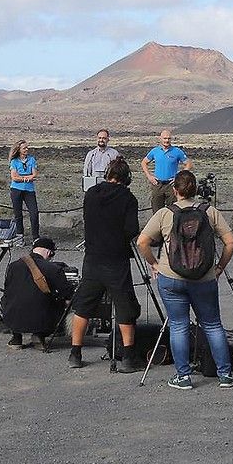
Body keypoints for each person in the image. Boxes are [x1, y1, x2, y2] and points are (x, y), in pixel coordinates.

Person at [137, 170, 233, 390]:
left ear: (175, 191)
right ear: (196, 190)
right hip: (204, 278)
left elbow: (142, 242)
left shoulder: (165, 214)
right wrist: (219, 267)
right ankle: (225, 374)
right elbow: (231, 242)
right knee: (212, 325)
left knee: (178, 326)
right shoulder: (209, 212)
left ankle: (183, 376)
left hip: (171, 277)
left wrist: (154, 264)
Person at [68, 157, 145, 372]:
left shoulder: (91, 194)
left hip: (92, 259)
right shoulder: (128, 198)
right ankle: (128, 358)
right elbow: (131, 229)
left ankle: (75, 353)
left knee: (83, 307)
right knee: (124, 307)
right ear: (126, 178)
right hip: (116, 261)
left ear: (108, 174)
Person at [2, 237, 75, 348]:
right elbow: (66, 293)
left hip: (11, 317)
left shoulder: (13, 266)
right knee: (60, 302)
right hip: (39, 319)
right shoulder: (53, 269)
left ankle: (16, 337)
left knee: (14, 298)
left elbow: (8, 289)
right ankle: (39, 334)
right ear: (48, 252)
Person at [141, 130, 190, 213]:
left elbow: (189, 164)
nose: (167, 140)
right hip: (157, 184)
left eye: (169, 138)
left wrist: (179, 178)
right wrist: (149, 176)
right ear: (160, 138)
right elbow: (144, 162)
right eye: (165, 138)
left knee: (174, 210)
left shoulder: (177, 151)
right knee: (156, 211)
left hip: (171, 185)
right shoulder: (155, 151)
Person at [9, 140, 40, 241]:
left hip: (29, 190)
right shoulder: (14, 162)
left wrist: (22, 177)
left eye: (27, 147)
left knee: (34, 213)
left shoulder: (32, 160)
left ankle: (35, 237)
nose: (27, 149)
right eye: (24, 148)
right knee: (18, 214)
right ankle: (20, 236)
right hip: (16, 190)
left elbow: (35, 174)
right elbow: (14, 177)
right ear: (19, 150)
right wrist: (27, 178)